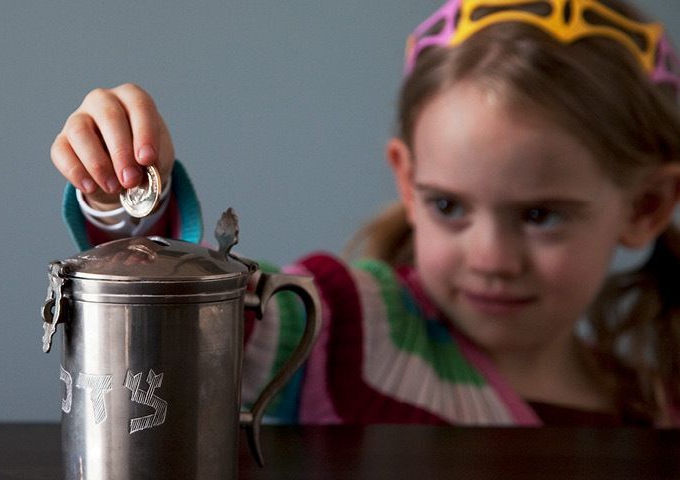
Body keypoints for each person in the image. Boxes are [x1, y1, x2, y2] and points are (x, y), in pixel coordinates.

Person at [49, 0, 680, 426]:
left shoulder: (654, 405)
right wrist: (125, 200)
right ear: (407, 180)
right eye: (448, 206)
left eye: (541, 215)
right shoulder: (344, 324)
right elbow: (176, 331)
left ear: (646, 206)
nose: (491, 259)